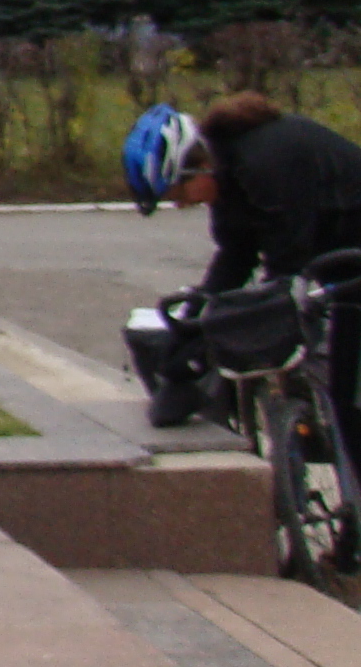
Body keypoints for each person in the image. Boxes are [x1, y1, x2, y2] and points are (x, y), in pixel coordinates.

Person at [126, 95, 361, 489]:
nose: (181, 205)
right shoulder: (229, 178)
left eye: (178, 193)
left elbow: (289, 257)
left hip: (348, 250)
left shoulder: (269, 160)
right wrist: (192, 326)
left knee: (348, 388)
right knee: (335, 384)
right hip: (337, 257)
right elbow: (235, 257)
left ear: (196, 167)